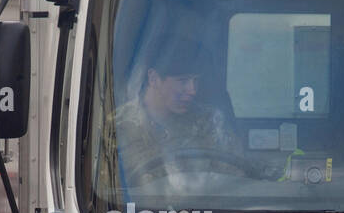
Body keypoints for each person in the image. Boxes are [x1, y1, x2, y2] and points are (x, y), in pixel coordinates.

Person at [99, 38, 273, 196]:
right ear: (154, 78)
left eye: (196, 81)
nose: (192, 90)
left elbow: (236, 177)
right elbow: (108, 190)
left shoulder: (209, 120)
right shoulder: (120, 126)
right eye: (183, 81)